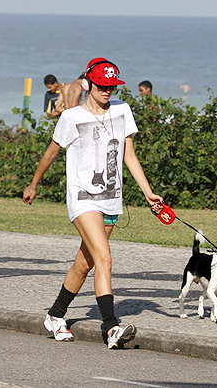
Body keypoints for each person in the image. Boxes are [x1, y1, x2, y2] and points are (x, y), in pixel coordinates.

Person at [23, 57, 163, 349]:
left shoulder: (123, 110)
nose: (107, 91)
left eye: (112, 86)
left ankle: (55, 315)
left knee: (85, 263)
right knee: (105, 258)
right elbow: (51, 153)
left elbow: (129, 156)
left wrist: (148, 192)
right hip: (82, 198)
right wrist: (33, 184)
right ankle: (111, 327)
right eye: (102, 86)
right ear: (90, 85)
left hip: (111, 198)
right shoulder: (71, 117)